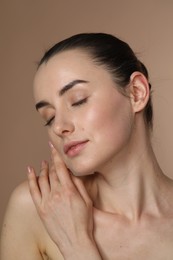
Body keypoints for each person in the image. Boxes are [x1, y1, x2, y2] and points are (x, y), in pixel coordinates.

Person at [1, 32, 173, 260]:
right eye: (49, 117)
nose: (59, 127)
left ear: (136, 93)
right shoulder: (37, 210)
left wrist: (77, 248)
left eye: (78, 100)